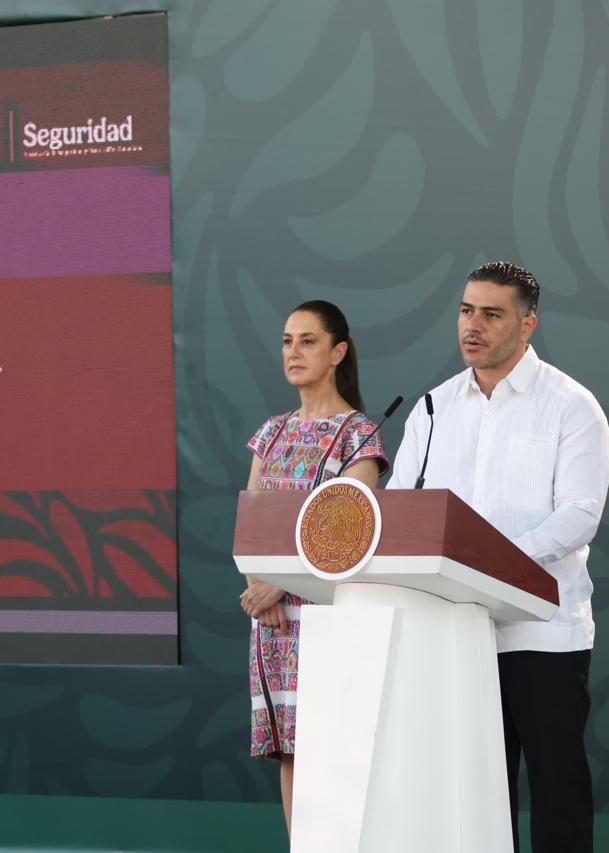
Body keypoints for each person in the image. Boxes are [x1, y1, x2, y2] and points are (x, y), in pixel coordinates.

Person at [388, 261, 609, 853]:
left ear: (528, 324)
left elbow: (580, 514)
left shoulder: (571, 405)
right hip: (457, 634)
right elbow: (400, 508)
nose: (473, 325)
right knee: (475, 795)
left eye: (492, 314)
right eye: (466, 310)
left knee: (557, 788)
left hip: (543, 633)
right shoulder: (434, 410)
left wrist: (492, 560)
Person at [241, 300, 388, 835]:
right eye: (286, 340)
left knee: (333, 747)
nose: (293, 351)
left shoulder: (359, 436)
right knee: (290, 753)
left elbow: (349, 534)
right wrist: (261, 589)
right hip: (271, 620)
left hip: (328, 616)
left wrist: (280, 585)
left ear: (338, 352)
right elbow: (250, 524)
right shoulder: (270, 433)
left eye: (307, 340)